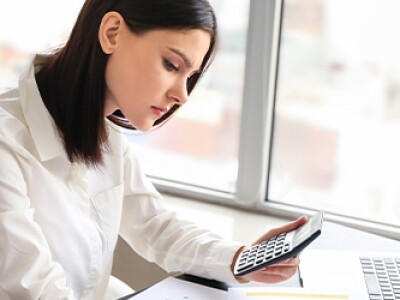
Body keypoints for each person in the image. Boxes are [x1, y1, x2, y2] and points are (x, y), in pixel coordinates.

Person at [0, 0, 308, 299]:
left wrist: (243, 259)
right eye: (172, 65)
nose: (182, 95)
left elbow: (156, 227)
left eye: (190, 77)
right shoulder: (7, 144)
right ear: (112, 33)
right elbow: (36, 289)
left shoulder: (106, 138)